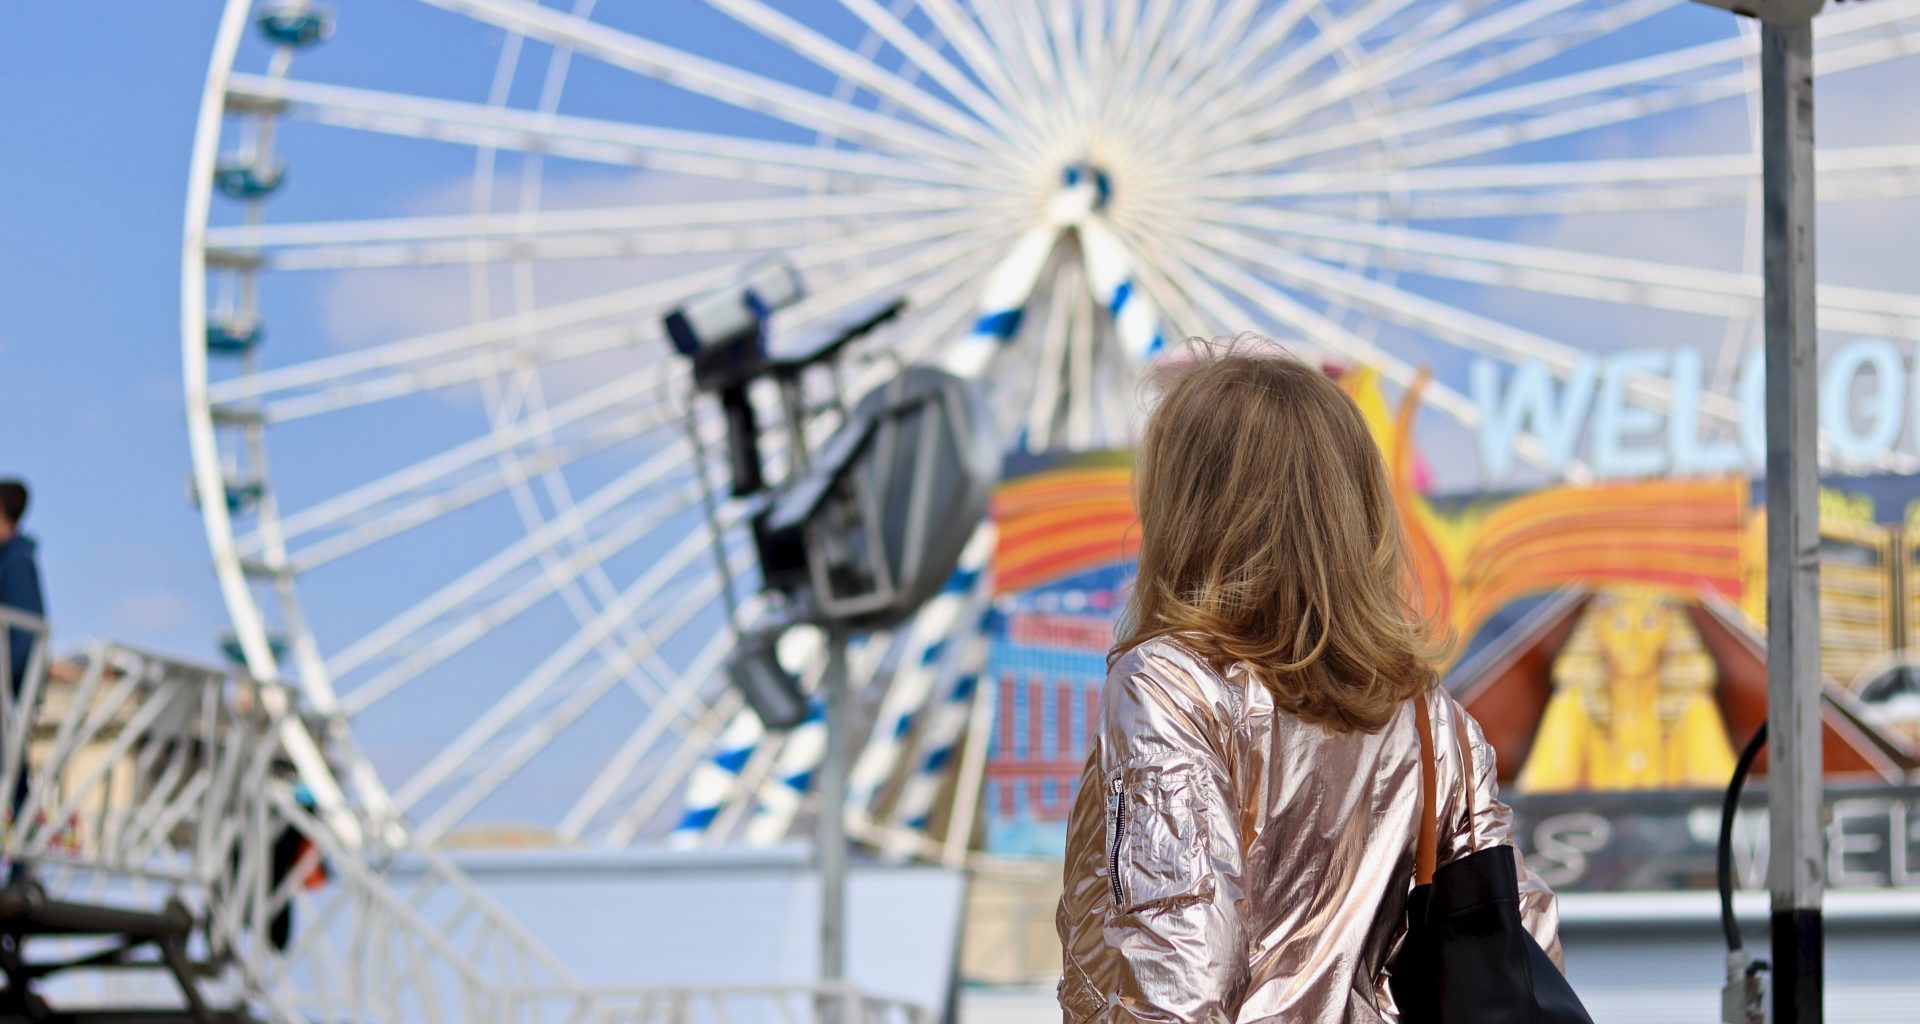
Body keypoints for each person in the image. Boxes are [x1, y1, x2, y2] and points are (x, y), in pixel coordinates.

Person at [1055, 342, 1562, 1024]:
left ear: (1189, 507)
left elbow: (1172, 960)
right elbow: (1518, 941)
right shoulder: (1429, 716)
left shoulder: (1172, 684)